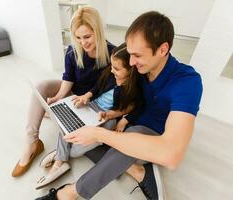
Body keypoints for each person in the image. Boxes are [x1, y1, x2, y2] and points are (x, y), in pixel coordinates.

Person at [35, 11, 203, 200]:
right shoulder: (138, 68)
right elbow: (112, 85)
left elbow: (171, 155)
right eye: (130, 54)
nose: (131, 62)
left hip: (148, 131)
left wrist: (100, 133)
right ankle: (138, 171)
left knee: (111, 140)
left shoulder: (187, 81)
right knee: (87, 133)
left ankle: (68, 193)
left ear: (162, 50)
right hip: (125, 123)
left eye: (137, 55)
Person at [11, 7, 115, 177]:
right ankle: (32, 142)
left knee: (69, 120)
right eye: (78, 37)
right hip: (73, 93)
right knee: (41, 86)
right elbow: (68, 78)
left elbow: (110, 86)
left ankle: (60, 153)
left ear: (99, 31)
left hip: (91, 100)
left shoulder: (112, 53)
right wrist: (59, 97)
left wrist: (86, 97)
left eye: (87, 36)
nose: (83, 43)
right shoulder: (73, 51)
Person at [35, 43, 144, 189]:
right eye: (112, 65)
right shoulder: (110, 74)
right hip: (92, 105)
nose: (111, 70)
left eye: (117, 68)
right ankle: (60, 163)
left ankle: (60, 154)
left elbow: (137, 107)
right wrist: (87, 95)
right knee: (66, 122)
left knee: (76, 151)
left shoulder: (135, 88)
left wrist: (124, 119)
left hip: (108, 118)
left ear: (131, 70)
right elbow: (97, 87)